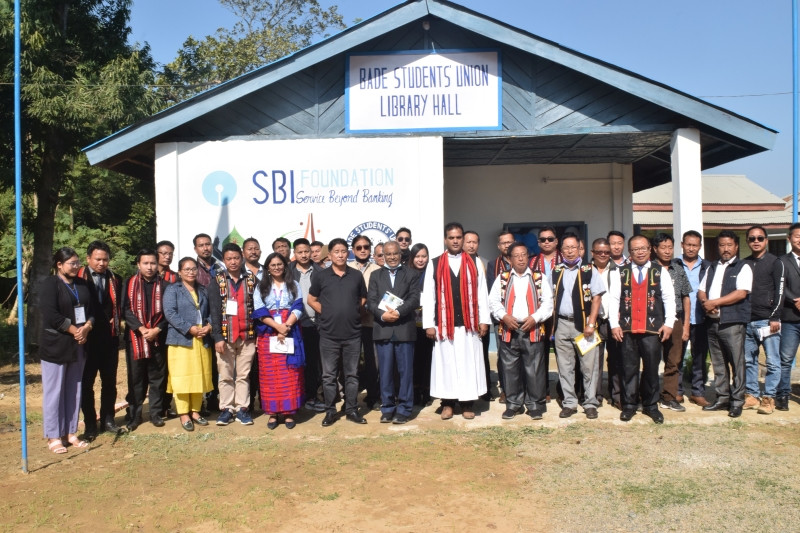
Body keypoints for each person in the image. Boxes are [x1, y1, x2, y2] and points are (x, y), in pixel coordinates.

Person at [422, 222, 490, 420]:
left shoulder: (474, 262)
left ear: (462, 238)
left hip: (469, 324)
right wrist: (429, 325)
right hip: (444, 326)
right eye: (451, 237)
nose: (455, 240)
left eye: (458, 237)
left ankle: (467, 403)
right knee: (447, 365)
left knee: (469, 364)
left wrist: (484, 320)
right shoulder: (434, 263)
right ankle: (448, 403)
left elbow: (482, 293)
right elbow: (428, 297)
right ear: (445, 239)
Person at [610, 235, 676, 424]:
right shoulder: (620, 272)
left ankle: (651, 406)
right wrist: (614, 324)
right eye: (635, 249)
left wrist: (669, 323)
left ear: (650, 250)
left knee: (651, 369)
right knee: (629, 369)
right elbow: (613, 299)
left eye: (643, 248)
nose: (639, 252)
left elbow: (669, 298)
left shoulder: (659, 271)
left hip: (652, 330)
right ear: (629, 252)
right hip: (627, 330)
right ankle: (629, 405)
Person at [489, 242, 554, 420]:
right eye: (516, 255)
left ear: (528, 257)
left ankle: (535, 405)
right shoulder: (502, 278)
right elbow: (493, 301)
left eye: (524, 254)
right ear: (509, 259)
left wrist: (535, 318)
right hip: (509, 329)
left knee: (534, 370)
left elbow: (549, 303)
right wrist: (504, 316)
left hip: (532, 328)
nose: (520, 258)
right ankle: (514, 405)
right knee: (510, 370)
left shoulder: (539, 277)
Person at [40, 247, 95, 453]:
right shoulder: (50, 284)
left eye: (77, 262)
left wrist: (87, 327)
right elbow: (51, 314)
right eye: (72, 263)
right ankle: (53, 435)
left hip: (78, 345)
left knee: (74, 389)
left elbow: (91, 311)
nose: (76, 266)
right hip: (56, 346)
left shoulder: (81, 284)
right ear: (59, 265)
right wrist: (75, 331)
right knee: (54, 392)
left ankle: (70, 432)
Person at [308, 238, 368, 426]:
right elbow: (311, 299)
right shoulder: (321, 276)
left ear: (347, 253)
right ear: (330, 254)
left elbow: (363, 298)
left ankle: (351, 409)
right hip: (328, 334)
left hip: (352, 334)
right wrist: (327, 313)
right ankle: (330, 411)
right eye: (336, 252)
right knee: (329, 376)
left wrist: (351, 311)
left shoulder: (356, 275)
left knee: (351, 374)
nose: (340, 255)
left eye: (343, 251)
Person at [698, 230, 753, 418]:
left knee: (737, 363)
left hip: (732, 323)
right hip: (712, 322)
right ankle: (722, 398)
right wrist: (706, 303)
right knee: (718, 363)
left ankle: (737, 401)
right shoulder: (712, 267)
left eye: (729, 245)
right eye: (722, 245)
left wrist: (716, 302)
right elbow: (701, 290)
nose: (726, 249)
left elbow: (741, 293)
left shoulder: (743, 266)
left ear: (736, 246)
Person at [551, 233, 604, 419]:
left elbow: (597, 298)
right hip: (562, 325)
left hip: (584, 326)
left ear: (580, 248)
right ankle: (570, 403)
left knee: (589, 367)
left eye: (573, 247)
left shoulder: (590, 270)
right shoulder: (557, 270)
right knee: (565, 367)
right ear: (561, 250)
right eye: (566, 248)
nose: (570, 251)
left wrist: (591, 323)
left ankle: (590, 403)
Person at [367, 241, 421, 424]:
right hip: (383, 329)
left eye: (394, 254)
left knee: (406, 372)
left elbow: (414, 299)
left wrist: (398, 312)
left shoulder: (412, 274)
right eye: (387, 254)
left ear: (400, 254)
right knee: (385, 371)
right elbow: (371, 301)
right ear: (382, 255)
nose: (391, 257)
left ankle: (405, 409)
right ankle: (387, 407)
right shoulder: (375, 275)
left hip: (404, 329)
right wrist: (383, 316)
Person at [252, 252, 306, 429]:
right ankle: (273, 413)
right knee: (269, 375)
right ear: (267, 267)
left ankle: (289, 412)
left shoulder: (293, 284)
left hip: (290, 330)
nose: (276, 267)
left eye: (279, 264)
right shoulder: (261, 287)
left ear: (285, 265)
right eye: (273, 265)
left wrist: (287, 326)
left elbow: (298, 306)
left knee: (290, 372)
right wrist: (277, 327)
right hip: (268, 333)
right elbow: (259, 311)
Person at [208, 243, 258, 426]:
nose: (233, 262)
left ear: (242, 258)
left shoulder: (252, 279)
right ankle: (227, 409)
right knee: (226, 375)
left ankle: (242, 409)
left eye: (236, 258)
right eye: (229, 259)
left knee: (243, 375)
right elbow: (214, 312)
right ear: (224, 260)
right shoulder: (217, 281)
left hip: (248, 335)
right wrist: (218, 338)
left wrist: (258, 335)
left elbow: (258, 307)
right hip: (226, 336)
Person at [77, 240, 123, 439]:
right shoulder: (77, 279)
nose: (102, 263)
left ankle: (108, 419)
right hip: (86, 340)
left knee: (109, 382)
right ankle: (89, 424)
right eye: (98, 259)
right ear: (88, 259)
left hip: (109, 338)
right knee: (86, 383)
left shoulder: (116, 279)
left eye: (105, 259)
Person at [163, 257, 214, 431]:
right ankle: (183, 413)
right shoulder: (173, 289)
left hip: (202, 338)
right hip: (181, 340)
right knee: (182, 378)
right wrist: (189, 328)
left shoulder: (203, 289)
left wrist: (209, 326)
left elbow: (210, 311)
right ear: (179, 272)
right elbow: (170, 313)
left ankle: (195, 411)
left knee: (199, 375)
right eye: (187, 269)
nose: (191, 272)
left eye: (194, 269)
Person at [122, 249, 170, 430]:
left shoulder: (165, 286)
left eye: (153, 263)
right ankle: (134, 415)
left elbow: (169, 313)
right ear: (138, 265)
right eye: (145, 263)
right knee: (136, 379)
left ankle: (156, 413)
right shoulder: (129, 283)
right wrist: (141, 329)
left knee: (157, 378)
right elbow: (125, 309)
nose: (150, 267)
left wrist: (157, 329)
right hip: (136, 339)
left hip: (158, 338)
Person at [742, 225, 784, 414]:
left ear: (766, 240)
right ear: (747, 241)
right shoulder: (744, 263)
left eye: (760, 238)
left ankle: (768, 398)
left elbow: (780, 292)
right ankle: (751, 395)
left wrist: (775, 316)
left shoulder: (776, 262)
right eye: (752, 238)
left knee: (773, 361)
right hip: (747, 321)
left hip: (768, 321)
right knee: (748, 360)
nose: (756, 241)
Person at [652, 233, 692, 413]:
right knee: (650, 360)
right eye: (663, 248)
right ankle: (650, 396)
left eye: (670, 248)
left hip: (676, 319)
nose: (667, 252)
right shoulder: (649, 269)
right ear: (655, 249)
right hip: (653, 320)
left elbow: (686, 298)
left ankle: (668, 397)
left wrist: (686, 326)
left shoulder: (678, 269)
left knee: (673, 360)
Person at [676, 230, 712, 407]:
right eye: (688, 244)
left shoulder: (708, 266)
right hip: (679, 318)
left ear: (700, 246)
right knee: (677, 357)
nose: (691, 248)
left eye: (695, 245)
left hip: (701, 318)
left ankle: (698, 392)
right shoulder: (673, 264)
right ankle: (677, 391)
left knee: (699, 356)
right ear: (682, 244)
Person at [289, 238, 326, 413]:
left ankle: (312, 397)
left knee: (313, 364)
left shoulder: (321, 271)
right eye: (300, 252)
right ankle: (295, 397)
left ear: (311, 252)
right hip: (293, 325)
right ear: (294, 253)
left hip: (315, 325)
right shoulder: (287, 271)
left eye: (306, 251)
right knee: (294, 364)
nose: (303, 255)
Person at [347, 234, 381, 410]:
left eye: (366, 247)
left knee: (372, 363)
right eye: (358, 247)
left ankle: (373, 397)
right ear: (353, 250)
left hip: (371, 323)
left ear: (370, 249)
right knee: (350, 364)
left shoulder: (378, 269)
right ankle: (349, 400)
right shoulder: (345, 268)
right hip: (350, 324)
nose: (362, 250)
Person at [590, 238, 620, 406]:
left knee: (616, 360)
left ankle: (616, 396)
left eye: (606, 252)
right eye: (599, 252)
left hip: (613, 322)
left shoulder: (619, 271)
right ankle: (595, 396)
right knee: (594, 362)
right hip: (594, 322)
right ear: (592, 253)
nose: (603, 255)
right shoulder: (586, 270)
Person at [464, 230, 494, 401]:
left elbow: (486, 292)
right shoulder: (457, 262)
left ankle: (485, 389)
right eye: (468, 242)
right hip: (462, 319)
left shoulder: (484, 263)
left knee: (482, 354)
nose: (471, 245)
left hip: (480, 316)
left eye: (474, 242)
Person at [487, 231, 515, 403]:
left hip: (523, 318)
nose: (506, 245)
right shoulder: (492, 265)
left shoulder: (524, 262)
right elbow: (492, 292)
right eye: (503, 243)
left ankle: (522, 388)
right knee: (504, 356)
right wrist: (503, 315)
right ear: (499, 246)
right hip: (502, 318)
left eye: (509, 242)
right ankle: (506, 389)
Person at [778, 222, 800, 412]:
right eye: (797, 236)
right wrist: (795, 300)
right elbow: (779, 287)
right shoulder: (782, 261)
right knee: (785, 359)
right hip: (790, 318)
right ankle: (783, 395)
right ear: (789, 239)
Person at [409, 243, 433, 406]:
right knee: (413, 358)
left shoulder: (432, 273)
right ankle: (415, 390)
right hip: (410, 322)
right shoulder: (406, 274)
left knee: (428, 357)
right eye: (417, 256)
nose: (420, 259)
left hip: (429, 322)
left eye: (423, 256)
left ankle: (426, 389)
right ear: (412, 258)